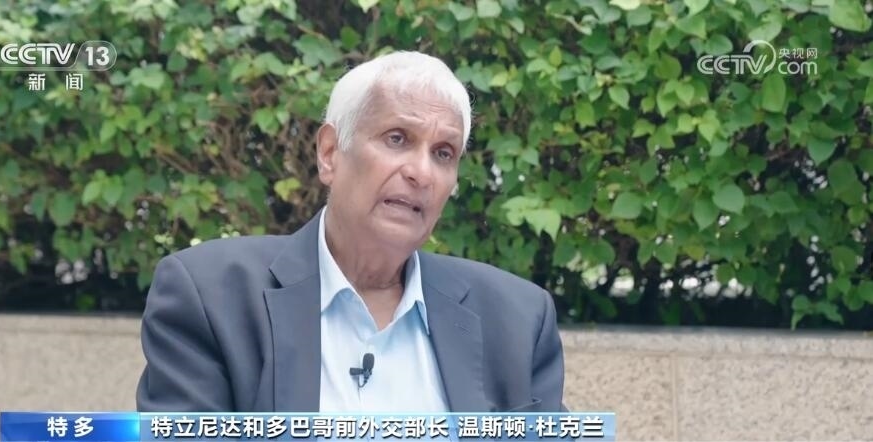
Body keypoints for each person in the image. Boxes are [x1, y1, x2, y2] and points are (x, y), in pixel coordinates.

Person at [136, 51, 566, 413]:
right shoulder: (212, 298)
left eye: (443, 153)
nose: (421, 172)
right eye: (397, 139)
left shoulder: (517, 319)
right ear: (330, 153)